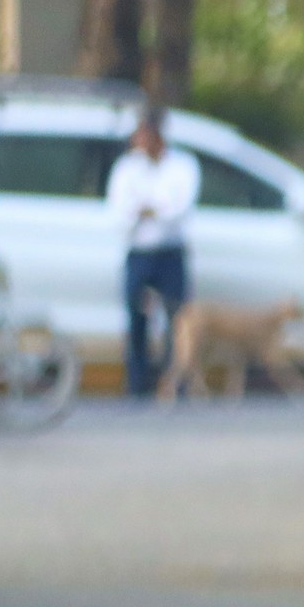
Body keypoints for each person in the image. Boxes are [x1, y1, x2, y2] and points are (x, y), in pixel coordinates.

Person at [105, 103, 198, 404]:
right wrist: (150, 209)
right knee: (136, 317)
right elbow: (120, 212)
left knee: (176, 318)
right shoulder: (127, 168)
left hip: (170, 252)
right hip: (139, 252)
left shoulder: (181, 166)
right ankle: (138, 384)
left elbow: (179, 209)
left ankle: (174, 383)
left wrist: (149, 208)